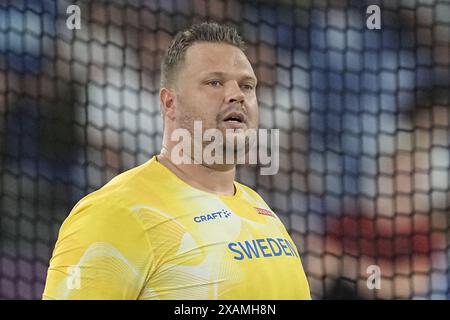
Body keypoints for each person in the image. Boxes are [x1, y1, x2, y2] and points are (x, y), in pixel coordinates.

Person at [42, 22, 311, 300]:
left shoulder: (259, 209)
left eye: (247, 85)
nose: (237, 95)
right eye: (214, 82)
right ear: (170, 103)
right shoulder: (116, 212)